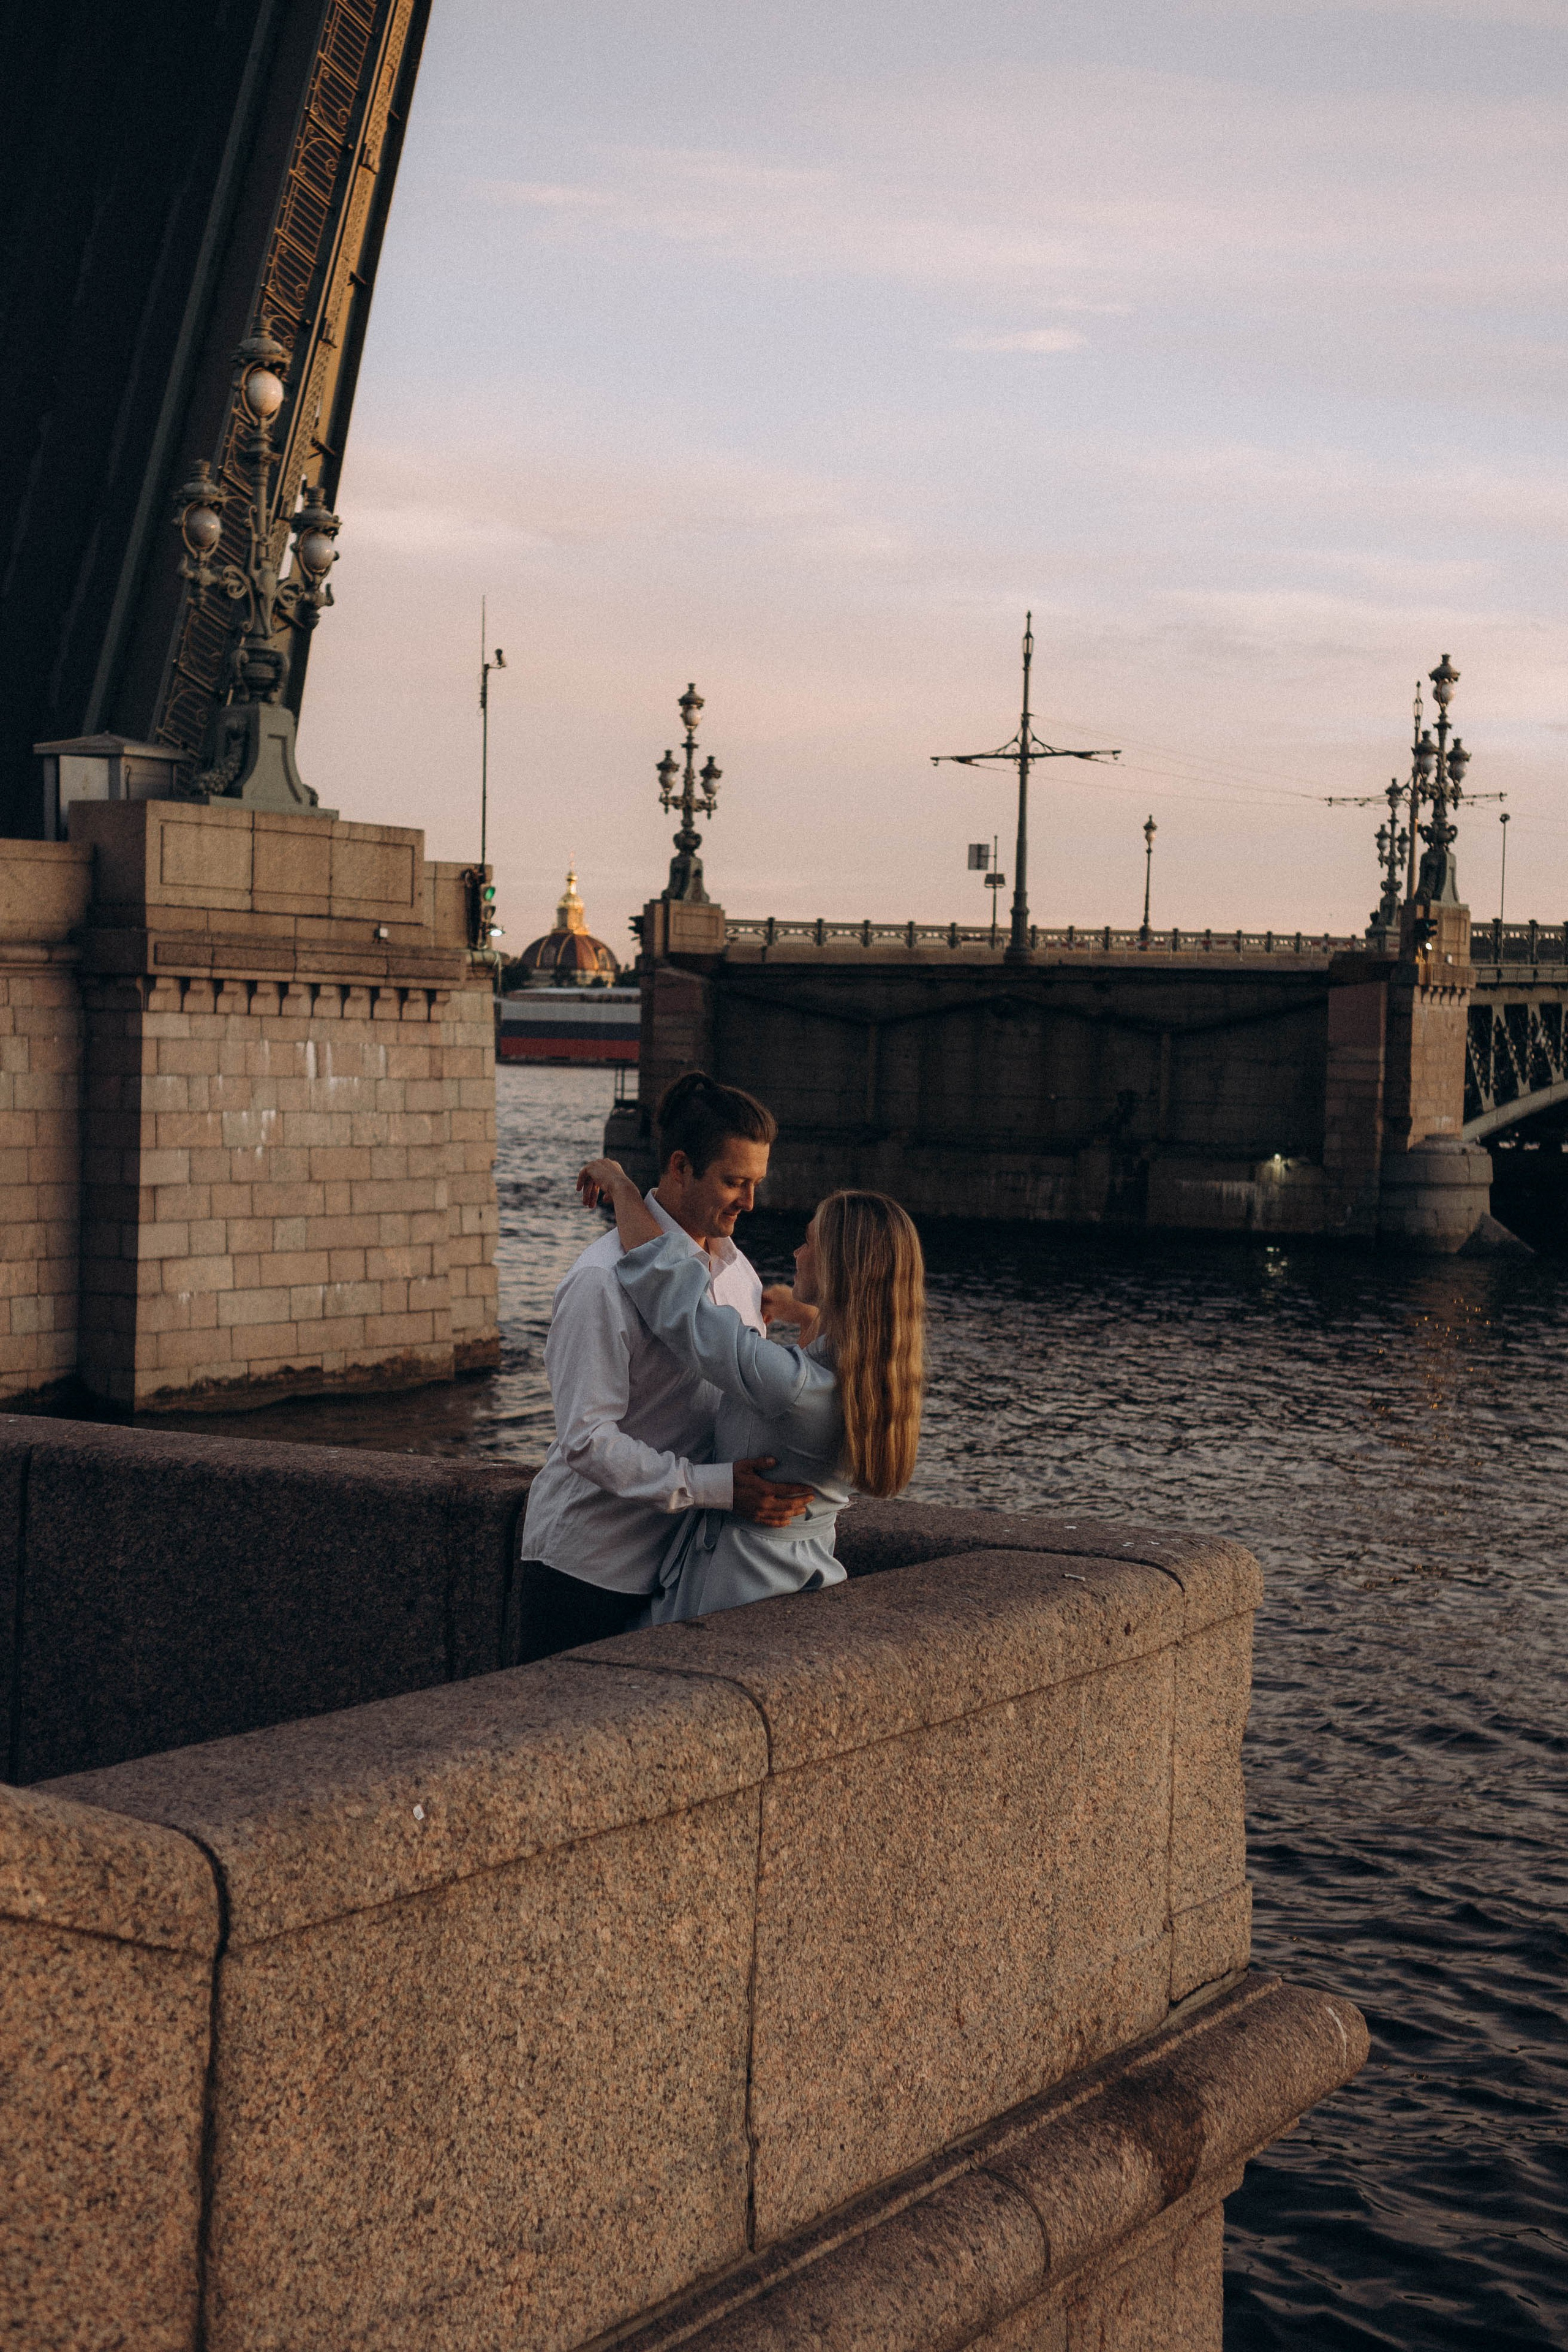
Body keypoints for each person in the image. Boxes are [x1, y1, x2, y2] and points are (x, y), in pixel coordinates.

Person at [514, 1072, 813, 1661]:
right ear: (680, 1167)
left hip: (683, 1565)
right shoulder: (599, 1282)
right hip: (591, 1566)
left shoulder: (736, 1269)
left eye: (756, 1182)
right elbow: (587, 1441)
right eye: (734, 1182)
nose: (751, 1202)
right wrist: (719, 1488)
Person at [575, 1159, 925, 1623]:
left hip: (730, 1592)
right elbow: (828, 1350)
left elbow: (671, 1293)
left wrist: (622, 1188)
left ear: (839, 1269)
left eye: (810, 1242)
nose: (798, 1253)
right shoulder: (872, 1380)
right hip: (805, 1576)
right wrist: (806, 1314)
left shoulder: (791, 1386)